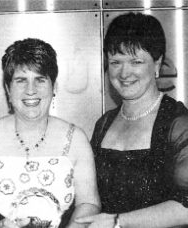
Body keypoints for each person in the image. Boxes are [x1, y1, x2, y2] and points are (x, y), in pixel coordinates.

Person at [0, 38, 101, 228]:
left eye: (40, 80)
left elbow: (89, 203)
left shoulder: (75, 139)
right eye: (21, 81)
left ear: (53, 87)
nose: (31, 90)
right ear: (8, 89)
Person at [76, 12, 188, 228]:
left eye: (136, 61)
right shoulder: (104, 124)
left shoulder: (179, 124)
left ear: (157, 64)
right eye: (116, 62)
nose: (124, 73)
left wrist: (119, 222)